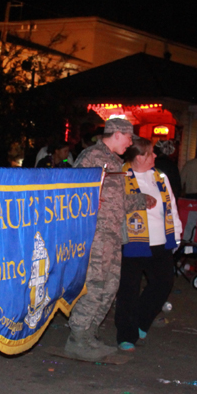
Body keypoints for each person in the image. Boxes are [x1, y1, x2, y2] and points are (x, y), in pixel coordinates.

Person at [65, 117, 151, 360]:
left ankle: (90, 335)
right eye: (128, 138)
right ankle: (77, 338)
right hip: (95, 236)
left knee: (110, 287)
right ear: (117, 134)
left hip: (113, 236)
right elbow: (73, 194)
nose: (130, 143)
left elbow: (119, 198)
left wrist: (142, 200)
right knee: (94, 286)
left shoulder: (115, 162)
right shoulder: (91, 158)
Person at [114, 137, 182, 350]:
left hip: (160, 241)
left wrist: (177, 233)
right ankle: (126, 335)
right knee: (128, 290)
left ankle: (141, 321)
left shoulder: (160, 176)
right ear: (138, 156)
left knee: (164, 283)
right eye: (150, 153)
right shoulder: (120, 177)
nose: (155, 156)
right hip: (132, 242)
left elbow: (171, 204)